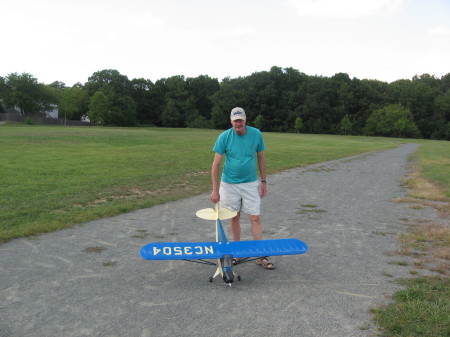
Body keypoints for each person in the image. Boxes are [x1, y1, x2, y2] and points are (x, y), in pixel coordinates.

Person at [210, 107, 274, 270]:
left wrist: (264, 181)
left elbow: (261, 157)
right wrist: (215, 190)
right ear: (231, 121)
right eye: (235, 120)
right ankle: (237, 253)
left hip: (250, 183)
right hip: (229, 184)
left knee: (255, 217)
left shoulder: (256, 134)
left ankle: (262, 256)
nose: (238, 123)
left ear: (245, 120)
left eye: (240, 120)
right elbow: (216, 165)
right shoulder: (224, 136)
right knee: (234, 217)